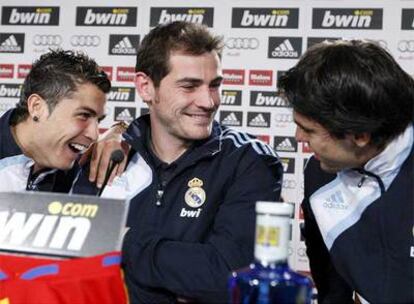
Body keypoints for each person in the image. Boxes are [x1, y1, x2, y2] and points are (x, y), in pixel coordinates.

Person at [78, 21, 283, 303]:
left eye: (215, 85)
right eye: (189, 86)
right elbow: (74, 260)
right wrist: (181, 277)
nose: (208, 101)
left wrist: (122, 240)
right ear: (146, 87)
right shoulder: (107, 155)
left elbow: (228, 277)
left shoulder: (250, 161)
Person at [278, 39, 414, 303]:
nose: (298, 138)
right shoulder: (319, 172)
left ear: (361, 135)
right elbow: (331, 285)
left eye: (309, 130)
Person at [0, 49, 110, 192]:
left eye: (98, 120)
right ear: (37, 107)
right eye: (83, 115)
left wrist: (120, 131)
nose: (94, 135)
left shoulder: (80, 164)